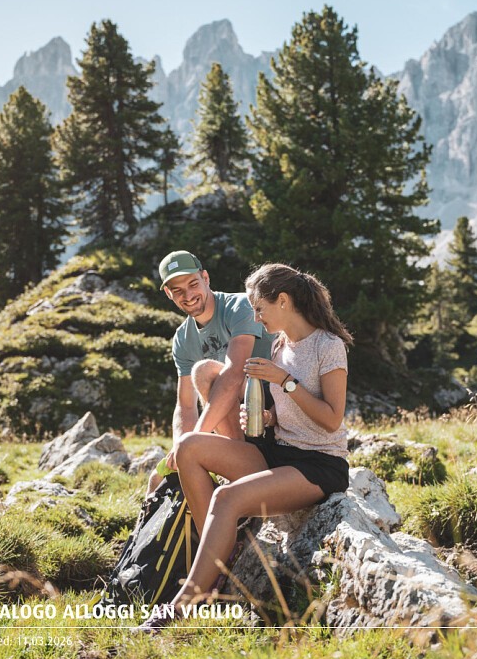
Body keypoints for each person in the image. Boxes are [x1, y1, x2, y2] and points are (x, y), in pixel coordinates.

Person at [137, 262, 353, 632]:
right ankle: (221, 552)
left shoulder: (328, 346)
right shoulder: (281, 346)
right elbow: (283, 412)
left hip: (318, 465)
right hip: (276, 452)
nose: (255, 316)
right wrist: (268, 419)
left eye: (259, 308)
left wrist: (284, 382)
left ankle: (186, 602)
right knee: (189, 447)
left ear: (283, 301)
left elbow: (332, 419)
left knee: (226, 499)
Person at [146, 250, 273, 496]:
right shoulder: (183, 339)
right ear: (168, 294)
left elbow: (235, 372)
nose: (188, 295)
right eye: (178, 290)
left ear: (206, 278)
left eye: (193, 284)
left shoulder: (240, 306)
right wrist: (178, 449)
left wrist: (192, 443)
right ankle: (235, 463)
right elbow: (185, 405)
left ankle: (243, 465)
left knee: (205, 372)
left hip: (270, 413)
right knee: (156, 480)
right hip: (232, 421)